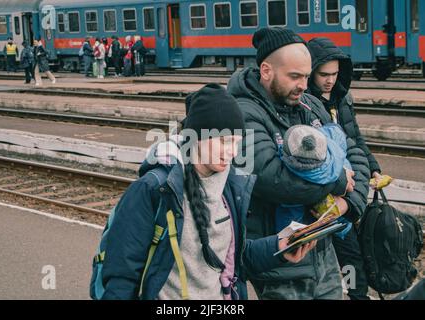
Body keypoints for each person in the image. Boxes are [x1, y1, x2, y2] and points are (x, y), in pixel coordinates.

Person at [92, 83, 316, 300]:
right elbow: (122, 273)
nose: (231, 152)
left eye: (236, 142)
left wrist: (278, 247)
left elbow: (233, 257)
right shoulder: (154, 189)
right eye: (224, 141)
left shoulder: (231, 187)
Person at [227, 27, 370, 300]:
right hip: (280, 265)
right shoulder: (243, 113)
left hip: (323, 258)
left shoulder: (310, 105)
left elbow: (354, 152)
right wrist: (338, 180)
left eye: (306, 76)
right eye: (294, 76)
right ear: (266, 71)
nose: (304, 85)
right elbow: (273, 178)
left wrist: (349, 205)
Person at [306, 37, 382, 300]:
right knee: (342, 253)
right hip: (327, 195)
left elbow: (355, 137)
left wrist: (372, 166)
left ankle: (356, 294)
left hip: (352, 190)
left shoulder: (341, 96)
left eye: (335, 74)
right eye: (323, 74)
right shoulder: (305, 102)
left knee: (353, 254)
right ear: (311, 71)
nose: (329, 80)